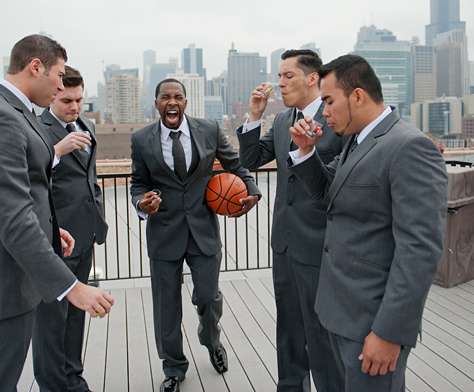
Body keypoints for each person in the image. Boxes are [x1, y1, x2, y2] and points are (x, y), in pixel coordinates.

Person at [0, 34, 114, 391]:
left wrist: (50, 229)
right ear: (35, 67)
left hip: (8, 285)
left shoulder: (8, 112)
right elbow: (12, 219)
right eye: (57, 74)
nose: (60, 83)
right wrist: (72, 287)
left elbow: (14, 197)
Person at [288, 54, 447, 391]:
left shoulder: (409, 147)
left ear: (357, 96)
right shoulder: (356, 141)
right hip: (339, 310)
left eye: (329, 101)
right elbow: (328, 192)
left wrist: (390, 332)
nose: (324, 111)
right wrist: (305, 152)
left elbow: (419, 250)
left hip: (372, 322)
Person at [130, 78, 262, 392]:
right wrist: (141, 202)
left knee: (208, 296)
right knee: (167, 307)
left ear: (186, 102)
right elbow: (137, 183)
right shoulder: (141, 139)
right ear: (157, 103)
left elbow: (235, 165)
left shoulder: (210, 129)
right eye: (165, 97)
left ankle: (211, 339)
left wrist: (253, 191)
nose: (171, 102)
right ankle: (174, 368)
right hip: (164, 232)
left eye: (177, 97)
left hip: (203, 230)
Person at [236, 49, 346, 392]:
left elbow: (334, 185)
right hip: (283, 242)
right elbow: (251, 159)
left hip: (318, 243)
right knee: (289, 329)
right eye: (278, 77)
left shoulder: (336, 121)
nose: (279, 83)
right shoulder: (283, 121)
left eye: (288, 76)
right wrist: (254, 116)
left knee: (321, 333)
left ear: (312, 78)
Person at [33, 65, 110, 392]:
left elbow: (87, 177)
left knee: (77, 314)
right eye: (67, 100)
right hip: (56, 240)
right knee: (51, 322)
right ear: (53, 96)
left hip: (86, 235)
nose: (74, 107)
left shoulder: (88, 124)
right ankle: (53, 385)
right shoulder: (38, 130)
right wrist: (57, 151)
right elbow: (29, 177)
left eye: (79, 99)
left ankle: (74, 379)